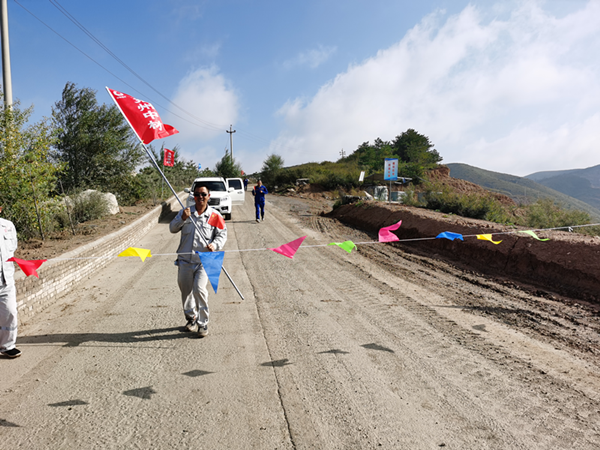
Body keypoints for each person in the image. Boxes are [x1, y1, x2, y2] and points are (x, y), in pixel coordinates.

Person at [170, 184, 227, 338]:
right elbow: (172, 228)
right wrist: (182, 218)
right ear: (193, 196)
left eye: (203, 194)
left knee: (199, 290)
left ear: (209, 196)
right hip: (185, 260)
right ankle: (191, 318)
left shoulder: (214, 215)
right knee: (186, 291)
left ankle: (203, 323)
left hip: (204, 261)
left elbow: (222, 235)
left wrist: (215, 244)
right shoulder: (186, 212)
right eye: (197, 194)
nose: (200, 197)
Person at [0, 205, 21, 358]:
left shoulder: (8, 226)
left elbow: (12, 248)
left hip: (6, 279)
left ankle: (8, 346)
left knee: (10, 312)